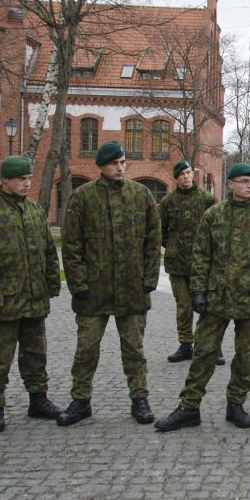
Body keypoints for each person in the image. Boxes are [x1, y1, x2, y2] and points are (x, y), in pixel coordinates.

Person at [155, 164, 250, 431]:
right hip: (216, 299)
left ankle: (235, 404)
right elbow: (201, 255)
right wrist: (198, 291)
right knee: (203, 352)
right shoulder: (213, 215)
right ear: (230, 185)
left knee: (244, 355)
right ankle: (189, 407)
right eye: (244, 181)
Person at [58, 141, 161, 426]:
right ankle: (80, 400)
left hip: (131, 288)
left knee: (134, 350)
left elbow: (153, 241)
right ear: (101, 166)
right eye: (114, 163)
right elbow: (71, 246)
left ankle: (139, 398)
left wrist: (148, 280)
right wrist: (78, 284)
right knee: (86, 350)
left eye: (123, 162)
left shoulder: (141, 196)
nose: (120, 167)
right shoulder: (82, 198)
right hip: (93, 291)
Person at [0, 156, 62, 432]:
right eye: (21, 179)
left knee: (35, 354)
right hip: (1, 303)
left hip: (32, 299)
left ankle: (38, 399)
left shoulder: (33, 210)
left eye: (29, 179)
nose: (26, 184)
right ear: (5, 180)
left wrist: (51, 283)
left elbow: (47, 251)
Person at [159, 159, 219, 365]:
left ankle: (213, 346)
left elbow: (217, 230)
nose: (185, 177)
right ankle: (185, 344)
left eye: (187, 173)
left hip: (202, 265)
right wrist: (174, 246)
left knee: (207, 306)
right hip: (177, 264)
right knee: (183, 306)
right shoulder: (168, 202)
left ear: (192, 174)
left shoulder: (207, 200)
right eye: (181, 174)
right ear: (176, 178)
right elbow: (162, 231)